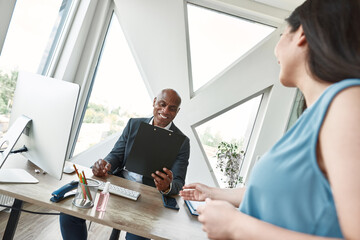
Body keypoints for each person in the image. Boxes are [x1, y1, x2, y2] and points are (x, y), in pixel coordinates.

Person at [180, 0, 360, 239]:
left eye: (283, 34)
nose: (276, 49)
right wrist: (214, 192)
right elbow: (281, 194)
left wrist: (236, 226)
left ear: (302, 34)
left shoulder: (347, 102)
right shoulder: (318, 115)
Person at [60, 88, 190, 240]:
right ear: (154, 102)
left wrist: (167, 187)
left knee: (137, 239)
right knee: (69, 215)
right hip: (119, 186)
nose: (165, 110)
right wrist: (105, 164)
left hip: (148, 200)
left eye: (172, 109)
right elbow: (116, 155)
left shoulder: (182, 142)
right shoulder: (133, 124)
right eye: (162, 104)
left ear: (177, 112)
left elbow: (179, 182)